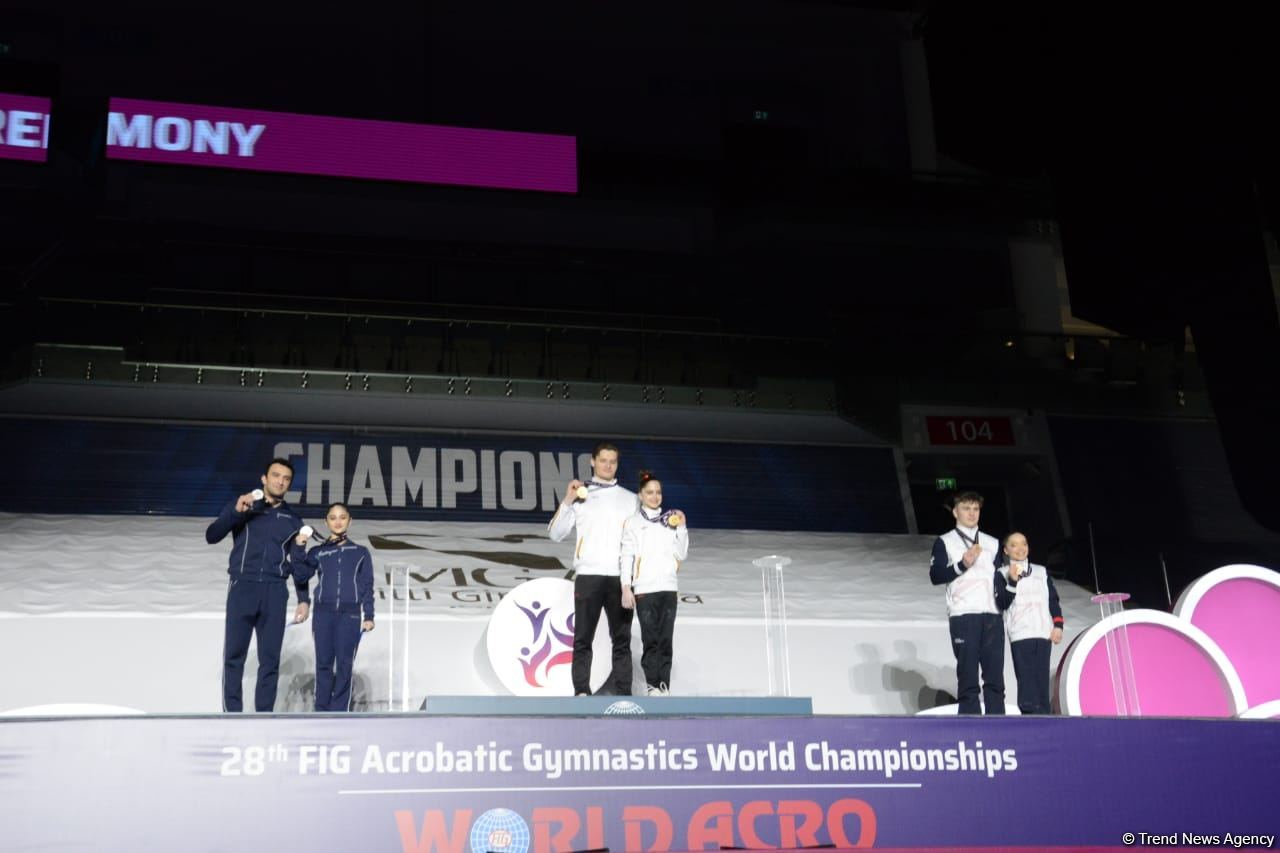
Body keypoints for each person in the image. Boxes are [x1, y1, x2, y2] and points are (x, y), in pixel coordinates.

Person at [206, 458, 311, 712]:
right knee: (234, 657)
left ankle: (263, 718)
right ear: (264, 479)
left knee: (270, 660)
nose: (280, 481)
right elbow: (212, 535)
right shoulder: (245, 505)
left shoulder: (293, 520)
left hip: (275, 591)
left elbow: (298, 561)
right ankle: (232, 716)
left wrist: (304, 598)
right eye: (275, 475)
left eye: (286, 478)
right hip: (243, 586)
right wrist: (235, 511)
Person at [547, 441, 638, 696]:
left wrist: (631, 580)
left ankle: (624, 695)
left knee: (622, 641)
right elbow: (556, 534)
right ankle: (581, 693)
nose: (608, 466)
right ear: (592, 461)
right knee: (583, 638)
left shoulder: (631, 500)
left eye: (613, 461)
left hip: (620, 579)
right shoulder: (580, 495)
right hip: (588, 576)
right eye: (603, 460)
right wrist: (568, 498)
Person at [928, 491, 1015, 714]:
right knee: (967, 676)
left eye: (976, 509)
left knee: (995, 677)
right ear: (955, 511)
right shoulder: (945, 542)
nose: (972, 513)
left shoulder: (992, 543)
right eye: (966, 508)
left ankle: (998, 727)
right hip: (964, 614)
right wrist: (962, 564)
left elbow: (998, 578)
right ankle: (970, 728)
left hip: (993, 616)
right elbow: (936, 576)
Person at [291, 502, 375, 712]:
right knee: (324, 664)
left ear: (349, 521)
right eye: (333, 517)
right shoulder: (318, 551)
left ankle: (340, 712)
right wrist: (300, 546)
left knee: (345, 665)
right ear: (326, 522)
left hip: (350, 614)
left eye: (342, 517)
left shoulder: (360, 552)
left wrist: (369, 614)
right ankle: (321, 711)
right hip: (323, 613)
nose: (337, 521)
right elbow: (301, 575)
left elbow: (367, 585)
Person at [620, 471, 689, 696]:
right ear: (640, 495)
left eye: (658, 492)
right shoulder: (632, 523)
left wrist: (682, 528)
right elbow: (627, 556)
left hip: (668, 588)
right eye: (649, 492)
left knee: (666, 639)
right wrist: (626, 587)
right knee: (651, 639)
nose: (655, 496)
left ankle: (664, 686)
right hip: (644, 590)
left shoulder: (670, 520)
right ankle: (652, 685)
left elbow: (681, 554)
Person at [1000, 532, 1064, 715]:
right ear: (1006, 550)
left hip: (1043, 634)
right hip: (1020, 634)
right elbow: (1002, 602)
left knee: (1041, 681)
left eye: (1024, 544)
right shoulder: (1001, 573)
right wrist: (1012, 580)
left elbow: (1052, 600)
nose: (1020, 548)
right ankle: (1028, 721)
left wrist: (1058, 625)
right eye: (1014, 545)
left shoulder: (1040, 571)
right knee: (1027, 682)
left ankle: (1044, 721)